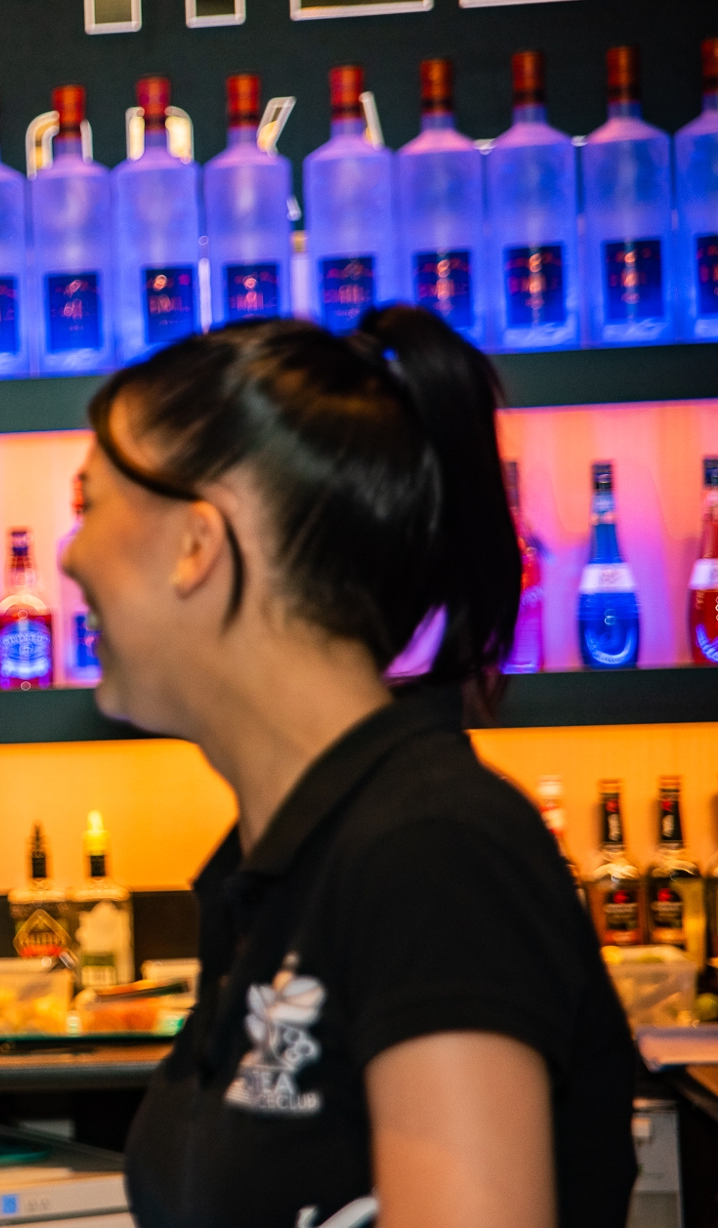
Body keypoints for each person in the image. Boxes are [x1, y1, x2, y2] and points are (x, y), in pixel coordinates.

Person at [62, 307, 636, 1228]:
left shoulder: (435, 855)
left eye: (88, 504)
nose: (70, 556)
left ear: (197, 544)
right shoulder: (283, 867)